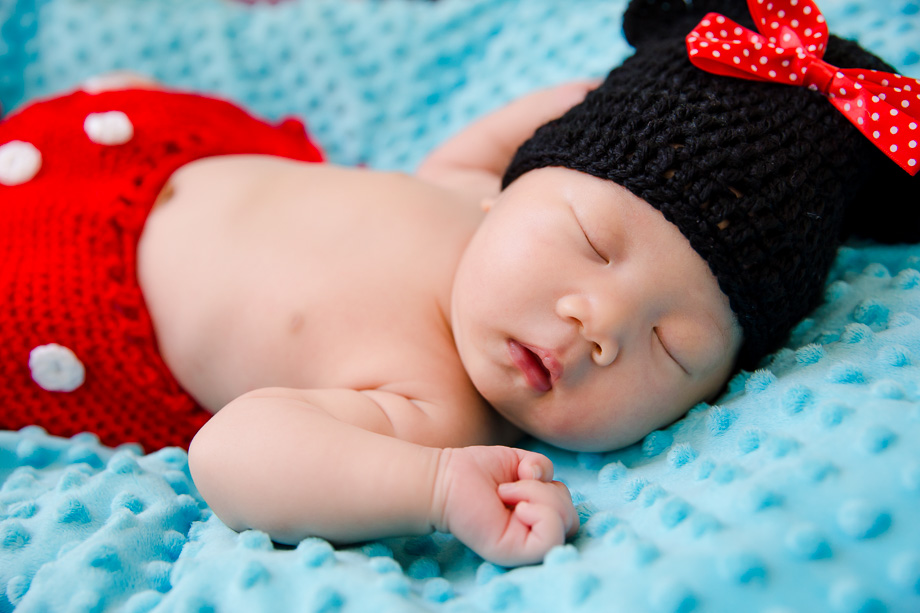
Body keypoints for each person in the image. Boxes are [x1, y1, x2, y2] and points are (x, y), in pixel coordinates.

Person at [1, 0, 917, 566]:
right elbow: (550, 122)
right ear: (525, 178)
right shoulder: (471, 189)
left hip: (57, 285)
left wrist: (435, 487)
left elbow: (231, 453)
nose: (597, 321)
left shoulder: (438, 412)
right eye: (591, 241)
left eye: (671, 347)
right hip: (153, 135)